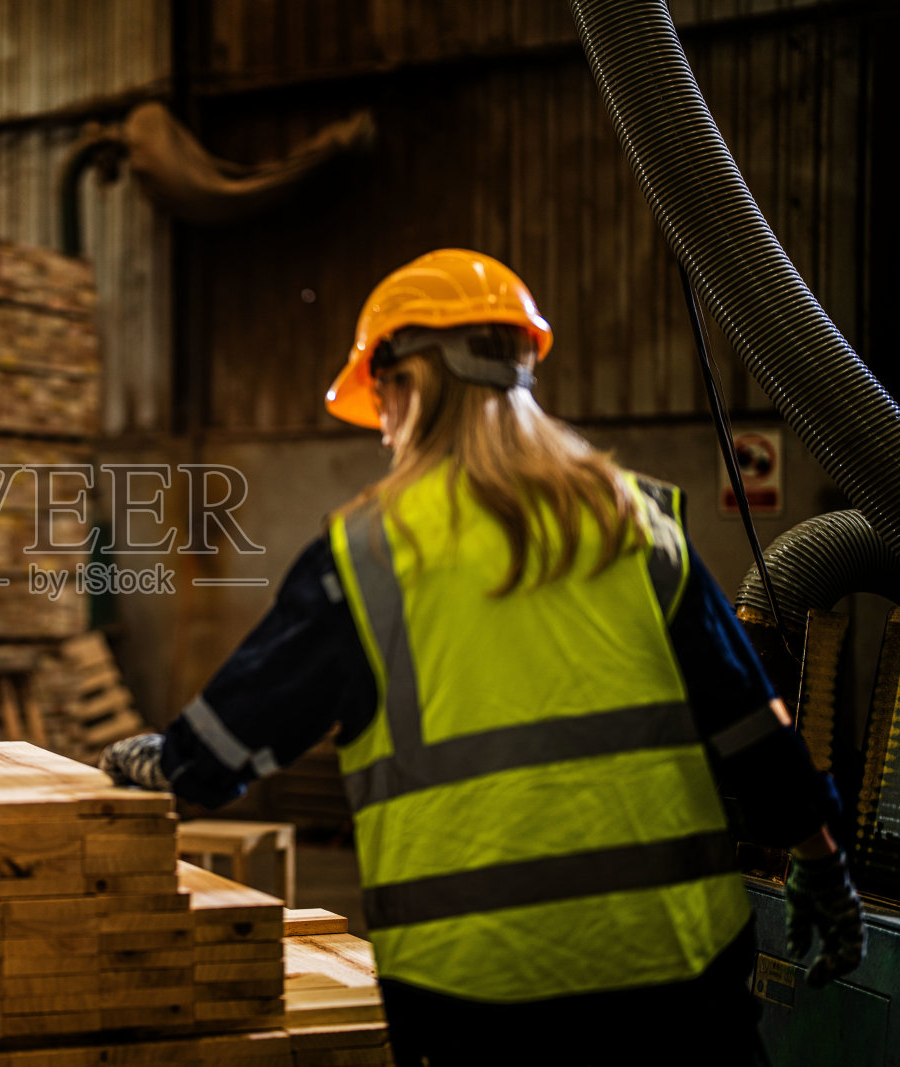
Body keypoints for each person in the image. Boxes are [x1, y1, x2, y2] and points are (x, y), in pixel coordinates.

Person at [99, 250, 865, 1066]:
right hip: (681, 991)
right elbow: (754, 732)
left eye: (381, 399)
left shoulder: (368, 557)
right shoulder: (637, 525)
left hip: (480, 1005)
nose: (383, 428)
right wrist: (823, 864)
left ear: (406, 382)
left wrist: (163, 763)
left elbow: (225, 748)